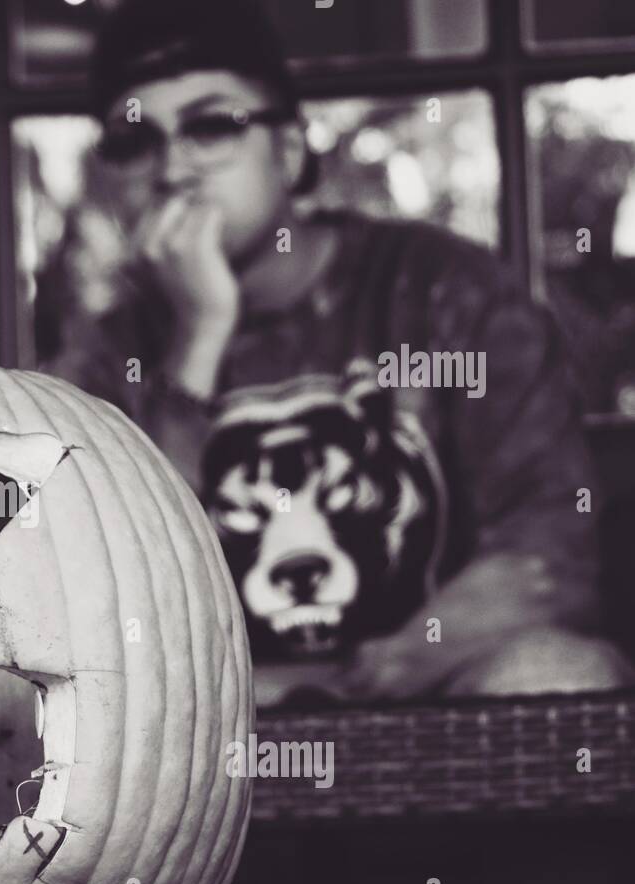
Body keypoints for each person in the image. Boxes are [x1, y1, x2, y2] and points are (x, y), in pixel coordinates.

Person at [40, 0, 632, 704]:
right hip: (209, 727)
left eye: (211, 126)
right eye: (134, 140)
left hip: (434, 694)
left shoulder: (444, 291)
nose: (172, 167)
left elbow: (549, 557)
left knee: (558, 676)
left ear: (289, 151)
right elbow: (101, 597)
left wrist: (355, 685)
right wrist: (199, 335)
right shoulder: (104, 358)